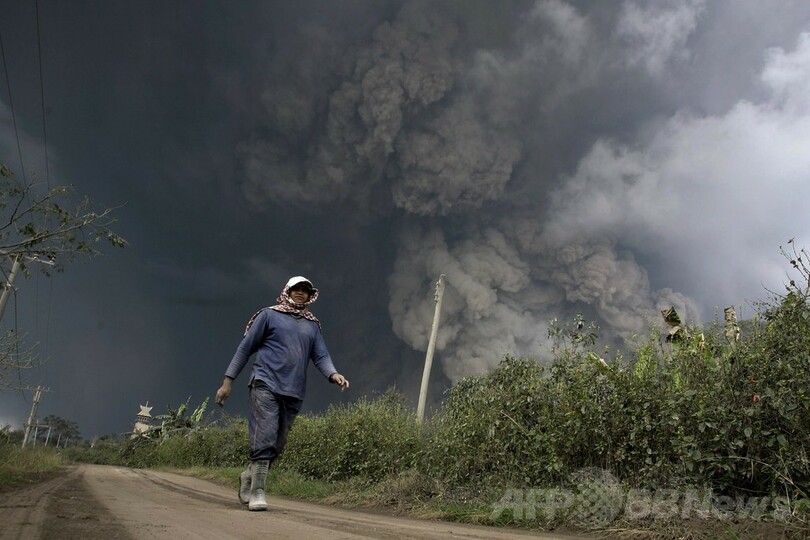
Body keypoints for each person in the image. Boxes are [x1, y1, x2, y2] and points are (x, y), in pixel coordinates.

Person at [215, 275, 349, 511]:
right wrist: (228, 382)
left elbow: (321, 356)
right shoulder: (269, 315)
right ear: (287, 291)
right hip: (265, 383)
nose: (300, 293)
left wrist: (333, 374)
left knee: (279, 442)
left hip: (293, 391)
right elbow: (245, 349)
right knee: (265, 434)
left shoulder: (312, 325)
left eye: (305, 291)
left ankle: (249, 475)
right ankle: (258, 492)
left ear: (310, 296)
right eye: (296, 289)